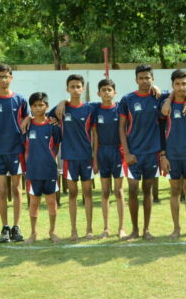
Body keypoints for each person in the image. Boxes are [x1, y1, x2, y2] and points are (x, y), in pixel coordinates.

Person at [118, 65, 186, 240]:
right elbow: (121, 127)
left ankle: (146, 230)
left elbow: (182, 91)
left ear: (153, 79)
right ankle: (134, 230)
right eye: (141, 78)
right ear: (136, 80)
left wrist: (182, 97)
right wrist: (126, 152)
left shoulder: (160, 97)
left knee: (147, 190)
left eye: (147, 78)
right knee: (133, 190)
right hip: (133, 153)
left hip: (152, 152)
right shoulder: (127, 99)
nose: (144, 81)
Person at [0, 63, 29, 243]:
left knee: (17, 190)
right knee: (2, 191)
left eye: (6, 76)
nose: (3, 79)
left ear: (11, 77)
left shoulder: (20, 100)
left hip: (16, 150)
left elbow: (28, 117)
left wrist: (28, 119)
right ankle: (5, 227)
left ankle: (16, 227)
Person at [50, 74, 95, 241]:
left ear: (82, 89)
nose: (75, 90)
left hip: (86, 157)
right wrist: (62, 102)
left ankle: (89, 230)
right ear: (67, 89)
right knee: (72, 194)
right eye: (72, 87)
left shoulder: (90, 109)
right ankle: (74, 230)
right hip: (69, 158)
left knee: (87, 194)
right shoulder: (61, 109)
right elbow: (43, 116)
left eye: (78, 87)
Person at [159, 69, 186, 238]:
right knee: (175, 190)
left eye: (184, 84)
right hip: (172, 155)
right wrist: (163, 155)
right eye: (177, 84)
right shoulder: (165, 104)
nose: (181, 87)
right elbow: (160, 130)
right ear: (172, 85)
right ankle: (176, 228)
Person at [23, 92, 62, 244]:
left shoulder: (53, 127)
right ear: (31, 107)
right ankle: (33, 233)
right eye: (34, 105)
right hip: (33, 171)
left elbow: (56, 146)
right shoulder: (27, 126)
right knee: (34, 203)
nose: (38, 108)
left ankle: (52, 231)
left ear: (47, 106)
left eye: (41, 105)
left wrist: (49, 159)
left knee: (51, 202)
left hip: (49, 170)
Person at [92, 79, 126, 239]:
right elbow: (95, 136)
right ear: (98, 93)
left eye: (109, 90)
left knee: (118, 191)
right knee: (105, 191)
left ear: (114, 92)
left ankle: (121, 228)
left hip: (117, 152)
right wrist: (95, 159)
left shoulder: (120, 108)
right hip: (102, 152)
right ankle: (106, 228)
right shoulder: (95, 110)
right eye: (103, 90)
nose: (106, 92)